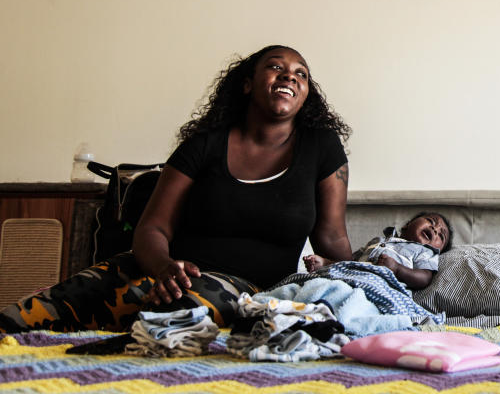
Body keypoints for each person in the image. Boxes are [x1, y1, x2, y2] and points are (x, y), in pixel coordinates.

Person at [0, 45, 352, 333]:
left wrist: (359, 285)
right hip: (162, 269)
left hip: (249, 289)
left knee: (160, 311)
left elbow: (333, 239)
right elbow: (153, 228)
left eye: (301, 73)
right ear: (247, 84)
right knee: (28, 314)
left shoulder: (321, 148)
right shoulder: (204, 144)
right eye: (276, 66)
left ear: (306, 93)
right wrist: (164, 267)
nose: (290, 74)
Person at [303, 212, 452, 290]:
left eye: (441, 235)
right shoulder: (378, 241)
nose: (435, 229)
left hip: (381, 288)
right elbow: (350, 263)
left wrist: (397, 269)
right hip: (352, 278)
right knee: (314, 287)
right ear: (407, 225)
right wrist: (326, 263)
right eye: (431, 222)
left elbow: (424, 278)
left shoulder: (426, 252)